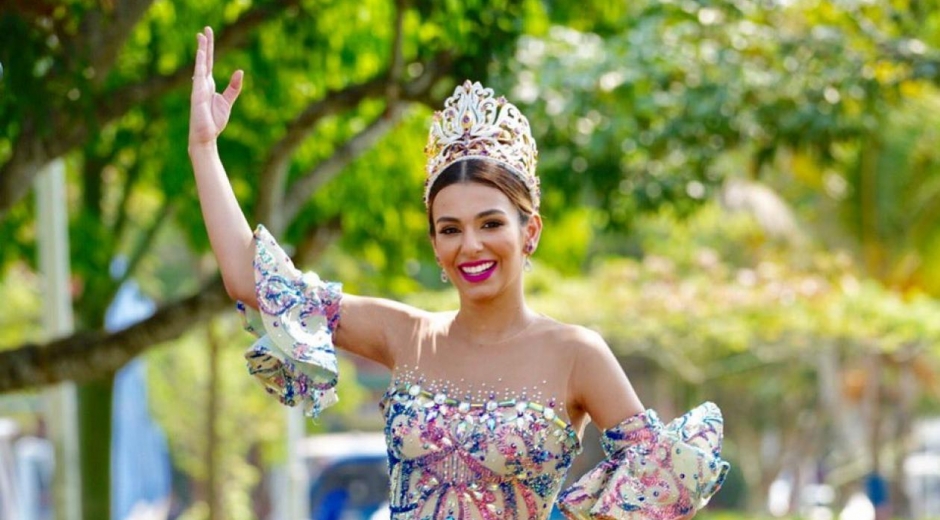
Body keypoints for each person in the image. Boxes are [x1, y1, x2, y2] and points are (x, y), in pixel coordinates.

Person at [188, 26, 729, 520]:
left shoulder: (577, 355)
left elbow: (663, 483)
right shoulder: (406, 335)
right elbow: (251, 282)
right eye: (450, 229)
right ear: (435, 243)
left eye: (490, 223)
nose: (470, 245)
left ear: (530, 232)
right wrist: (205, 148)